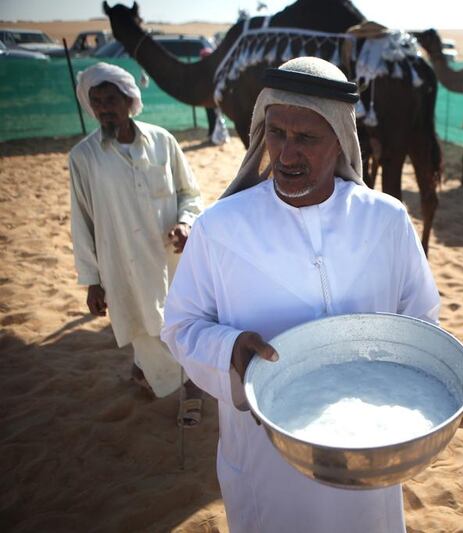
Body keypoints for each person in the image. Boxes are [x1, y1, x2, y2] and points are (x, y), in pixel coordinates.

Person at [161, 57, 440, 532]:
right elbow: (181, 326)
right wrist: (229, 350)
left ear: (340, 140)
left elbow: (421, 320)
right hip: (266, 458)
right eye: (276, 133)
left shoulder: (386, 220)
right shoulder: (220, 228)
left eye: (306, 138)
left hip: (367, 442)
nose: (286, 154)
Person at [69, 62, 205, 425]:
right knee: (142, 324)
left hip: (169, 257)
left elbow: (189, 193)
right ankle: (189, 386)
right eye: (95, 101)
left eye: (110, 99)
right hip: (122, 262)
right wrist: (92, 280)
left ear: (130, 100)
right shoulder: (83, 158)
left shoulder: (163, 141)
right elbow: (81, 222)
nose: (103, 108)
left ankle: (150, 372)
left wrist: (185, 223)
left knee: (179, 322)